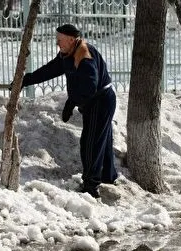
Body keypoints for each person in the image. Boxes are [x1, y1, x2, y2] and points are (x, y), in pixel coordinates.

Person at [18, 24, 117, 198]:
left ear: (71, 40)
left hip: (99, 101)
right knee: (102, 139)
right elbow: (51, 69)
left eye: (60, 40)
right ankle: (107, 176)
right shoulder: (68, 54)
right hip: (95, 100)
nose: (57, 44)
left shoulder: (84, 56)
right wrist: (26, 80)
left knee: (91, 142)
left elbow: (89, 88)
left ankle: (91, 186)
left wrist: (71, 102)